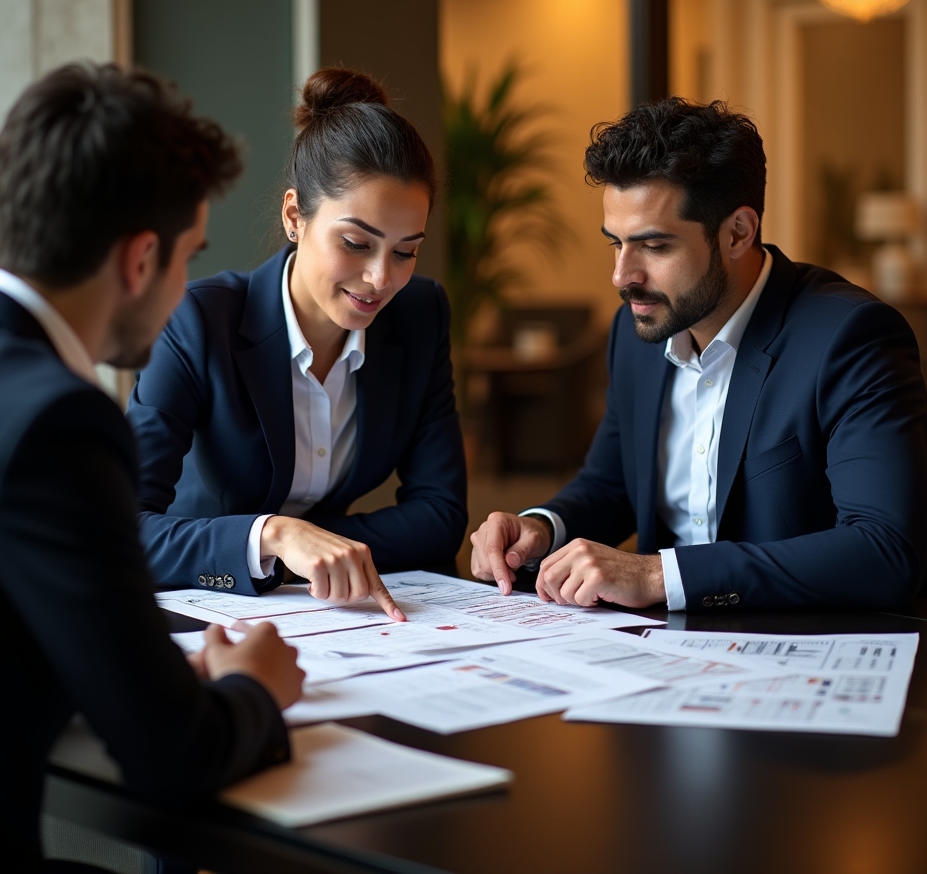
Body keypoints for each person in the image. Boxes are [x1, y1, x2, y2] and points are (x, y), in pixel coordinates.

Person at [0, 63, 305, 873]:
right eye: (188, 255)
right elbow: (172, 760)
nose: (185, 286)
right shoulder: (58, 424)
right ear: (139, 259)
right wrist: (257, 687)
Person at [471, 98, 927, 612]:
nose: (622, 277)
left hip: (798, 651)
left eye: (655, 247)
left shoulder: (851, 337)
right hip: (660, 654)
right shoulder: (637, 328)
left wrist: (659, 575)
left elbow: (886, 551)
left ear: (738, 232)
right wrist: (540, 527)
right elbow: (613, 484)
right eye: (615, 244)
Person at [127, 68, 467, 616]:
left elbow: (440, 514)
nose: (382, 278)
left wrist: (314, 549)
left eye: (405, 251)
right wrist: (272, 539)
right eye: (356, 243)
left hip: (334, 617)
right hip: (202, 607)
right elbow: (123, 527)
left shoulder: (420, 314)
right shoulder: (196, 320)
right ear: (294, 216)